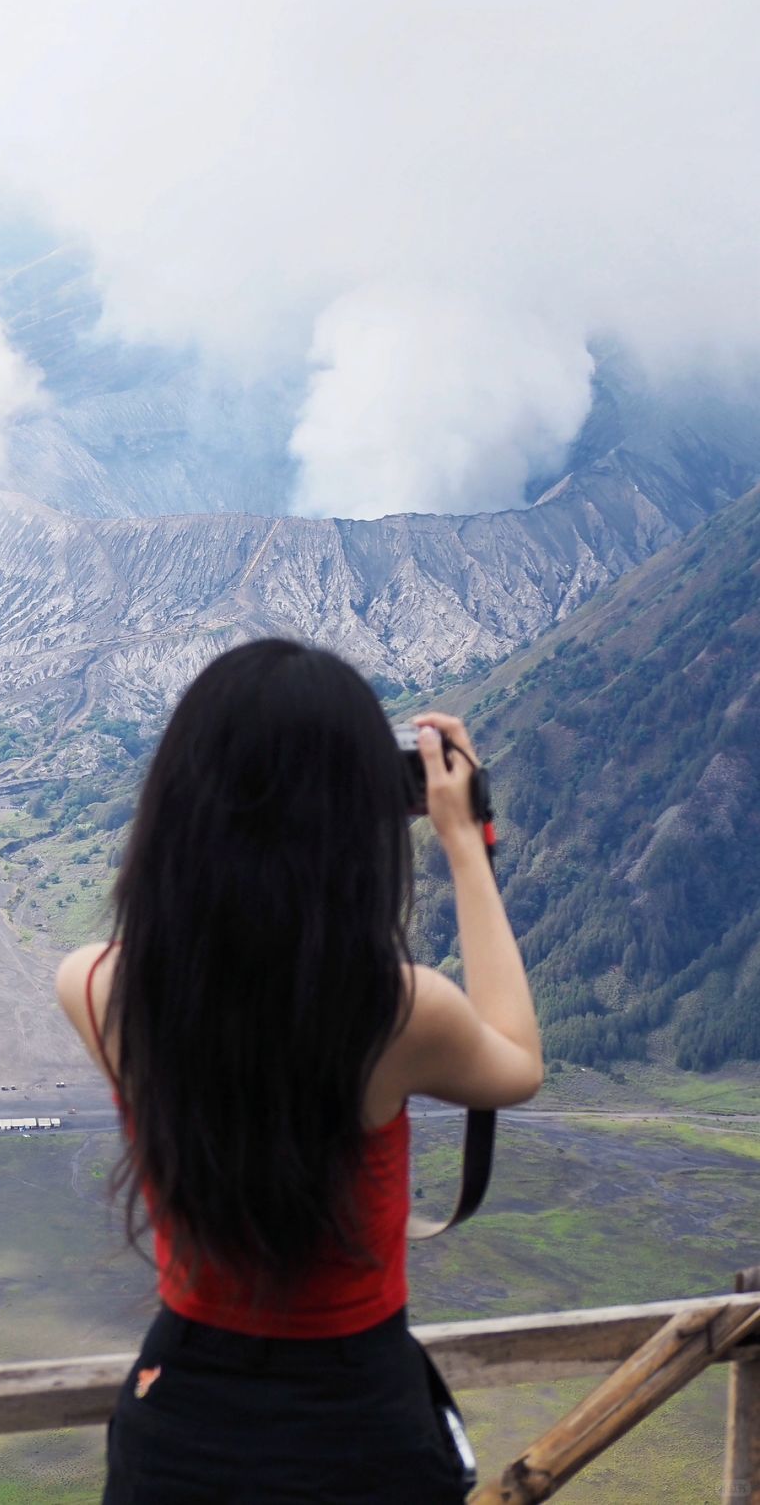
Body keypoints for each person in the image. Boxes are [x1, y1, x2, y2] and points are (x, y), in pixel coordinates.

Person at [57, 639, 542, 1504]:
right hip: (358, 1428)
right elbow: (518, 1063)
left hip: (177, 1426)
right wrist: (466, 843)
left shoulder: (95, 987)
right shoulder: (398, 1011)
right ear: (354, 823)